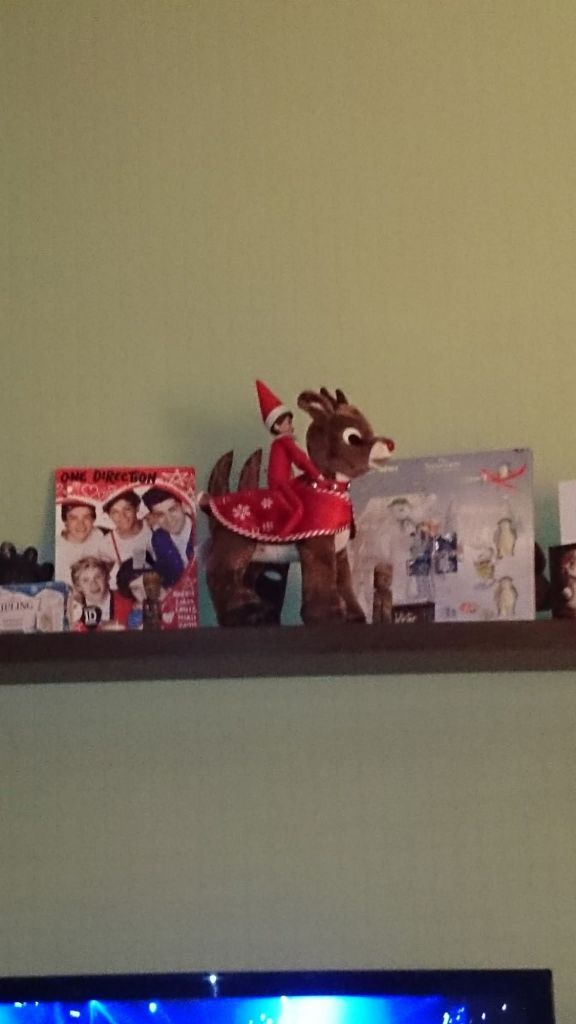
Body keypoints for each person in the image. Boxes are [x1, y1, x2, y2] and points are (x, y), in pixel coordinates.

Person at [255, 379, 323, 534]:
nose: (292, 427)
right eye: (288, 423)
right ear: (277, 426)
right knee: (299, 508)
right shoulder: (284, 442)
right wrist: (317, 475)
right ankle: (283, 535)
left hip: (286, 482)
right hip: (280, 485)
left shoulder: (280, 443)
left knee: (305, 486)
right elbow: (300, 458)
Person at [141, 486, 195, 587]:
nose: (169, 519)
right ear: (154, 517)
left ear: (184, 506)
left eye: (172, 510)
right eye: (160, 515)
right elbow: (166, 575)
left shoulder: (200, 530)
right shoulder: (158, 538)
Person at [101, 489, 153, 584]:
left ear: (137, 508)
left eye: (127, 509)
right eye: (115, 512)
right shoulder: (107, 543)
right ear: (109, 516)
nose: (123, 516)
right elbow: (102, 574)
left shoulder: (153, 524)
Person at [69, 555, 133, 630]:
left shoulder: (127, 601)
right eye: (86, 580)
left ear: (107, 577)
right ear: (78, 586)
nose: (93, 584)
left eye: (98, 577)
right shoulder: (74, 611)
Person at [56, 501, 109, 585]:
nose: (81, 524)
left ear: (93, 519)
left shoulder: (101, 535)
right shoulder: (56, 548)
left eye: (86, 517)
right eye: (74, 518)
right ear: (65, 521)